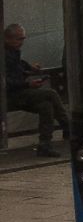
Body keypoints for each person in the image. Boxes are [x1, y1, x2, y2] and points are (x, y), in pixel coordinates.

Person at [5, 23, 71, 157]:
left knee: (46, 106)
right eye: (19, 39)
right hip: (9, 96)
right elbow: (7, 82)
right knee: (51, 94)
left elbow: (18, 66)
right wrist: (28, 85)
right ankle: (68, 127)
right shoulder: (4, 55)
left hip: (18, 93)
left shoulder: (12, 52)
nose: (22, 42)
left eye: (23, 39)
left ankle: (45, 145)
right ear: (8, 38)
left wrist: (30, 69)